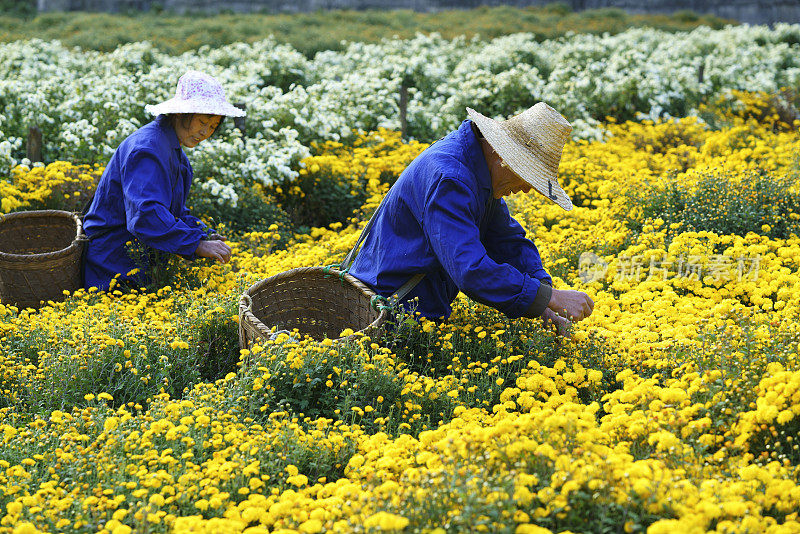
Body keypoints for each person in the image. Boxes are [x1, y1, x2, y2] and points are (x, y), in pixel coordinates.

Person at [348, 103, 594, 337]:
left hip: (416, 312)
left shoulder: (477, 167)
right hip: (386, 314)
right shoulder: (452, 179)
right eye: (527, 176)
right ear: (503, 157)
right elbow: (470, 269)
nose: (527, 189)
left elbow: (507, 241)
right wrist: (549, 297)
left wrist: (544, 296)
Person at [82, 70, 244, 291]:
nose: (205, 132)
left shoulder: (174, 151)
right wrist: (196, 244)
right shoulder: (147, 149)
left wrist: (203, 233)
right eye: (202, 122)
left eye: (213, 126)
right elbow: (146, 215)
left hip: (138, 258)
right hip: (113, 264)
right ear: (180, 114)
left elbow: (172, 211)